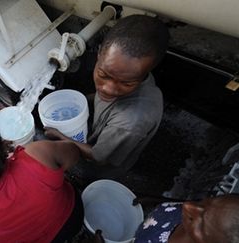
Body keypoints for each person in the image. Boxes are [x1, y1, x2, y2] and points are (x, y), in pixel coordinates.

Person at [44, 15, 169, 182]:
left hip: (103, 168)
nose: (107, 89)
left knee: (86, 176)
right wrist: (81, 101)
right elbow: (103, 93)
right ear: (99, 52)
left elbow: (97, 157)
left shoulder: (130, 122)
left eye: (126, 83)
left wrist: (58, 134)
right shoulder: (131, 71)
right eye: (103, 74)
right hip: (109, 136)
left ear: (147, 71)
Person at [93, 194, 239, 243]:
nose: (188, 206)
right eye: (206, 201)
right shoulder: (189, 212)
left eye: (200, 222)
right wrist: (157, 200)